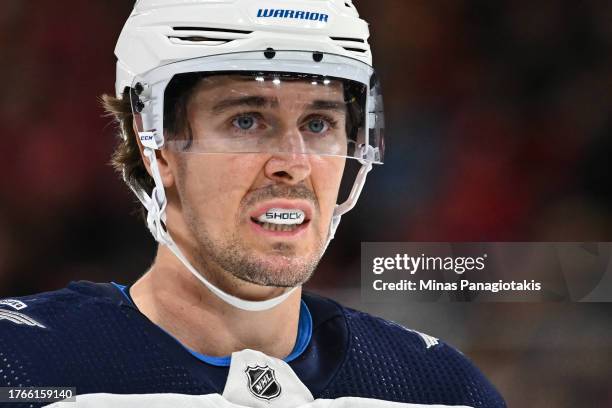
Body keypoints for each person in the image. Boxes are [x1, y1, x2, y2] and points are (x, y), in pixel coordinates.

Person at [1, 1, 505, 407]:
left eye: (318, 124)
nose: (294, 163)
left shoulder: (439, 389)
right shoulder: (21, 364)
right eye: (247, 121)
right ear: (153, 142)